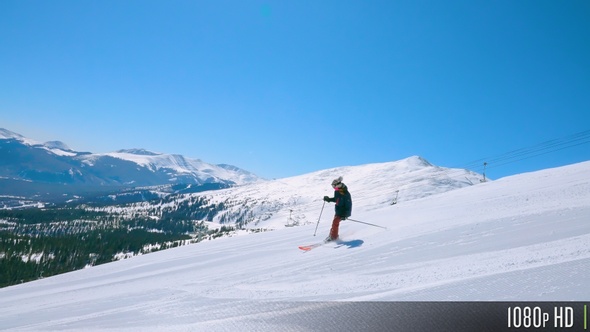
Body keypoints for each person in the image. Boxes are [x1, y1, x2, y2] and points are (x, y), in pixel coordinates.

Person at [323, 176, 352, 242]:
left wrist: (345, 215)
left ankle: (334, 237)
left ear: (338, 185)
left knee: (335, 222)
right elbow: (337, 199)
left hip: (343, 212)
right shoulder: (337, 191)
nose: (333, 188)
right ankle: (331, 236)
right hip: (338, 211)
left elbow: (348, 205)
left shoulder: (345, 193)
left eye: (334, 186)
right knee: (334, 223)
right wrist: (329, 199)